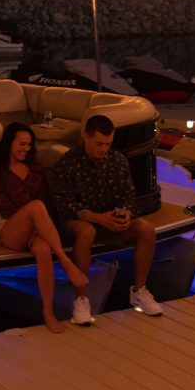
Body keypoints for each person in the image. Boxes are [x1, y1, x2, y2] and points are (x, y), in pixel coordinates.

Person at [51, 114, 162, 325]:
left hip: (107, 219)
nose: (104, 149)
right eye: (99, 143)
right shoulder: (68, 163)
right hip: (75, 221)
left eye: (108, 144)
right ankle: (81, 299)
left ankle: (139, 290)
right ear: (86, 137)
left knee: (146, 229)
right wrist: (97, 218)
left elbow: (129, 197)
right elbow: (63, 205)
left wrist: (125, 214)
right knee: (87, 231)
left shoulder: (117, 161)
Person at [0, 122, 89, 334]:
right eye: (21, 144)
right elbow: (3, 208)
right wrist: (32, 215)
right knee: (36, 206)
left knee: (43, 249)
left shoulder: (36, 168)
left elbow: (48, 202)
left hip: (38, 226)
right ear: (9, 144)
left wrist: (37, 222)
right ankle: (66, 261)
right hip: (10, 227)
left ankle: (48, 312)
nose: (26, 148)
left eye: (29, 144)